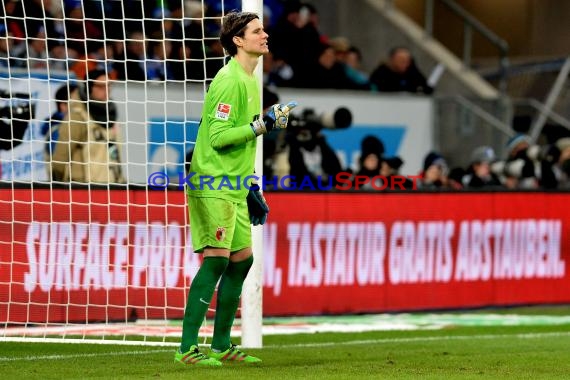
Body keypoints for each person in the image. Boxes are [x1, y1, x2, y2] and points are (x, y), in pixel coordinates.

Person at [176, 11, 296, 366]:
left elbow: (240, 140)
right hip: (212, 182)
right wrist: (262, 125)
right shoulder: (229, 80)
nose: (265, 35)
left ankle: (221, 345)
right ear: (238, 41)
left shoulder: (249, 79)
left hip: (234, 184)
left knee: (243, 259)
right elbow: (218, 137)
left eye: (263, 29)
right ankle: (186, 349)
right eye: (257, 31)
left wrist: (250, 184)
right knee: (216, 261)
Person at [50, 69, 124, 183]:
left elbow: (115, 154)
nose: (107, 90)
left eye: (109, 85)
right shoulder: (77, 117)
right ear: (89, 88)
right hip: (83, 189)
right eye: (100, 86)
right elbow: (60, 158)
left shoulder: (111, 115)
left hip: (111, 185)